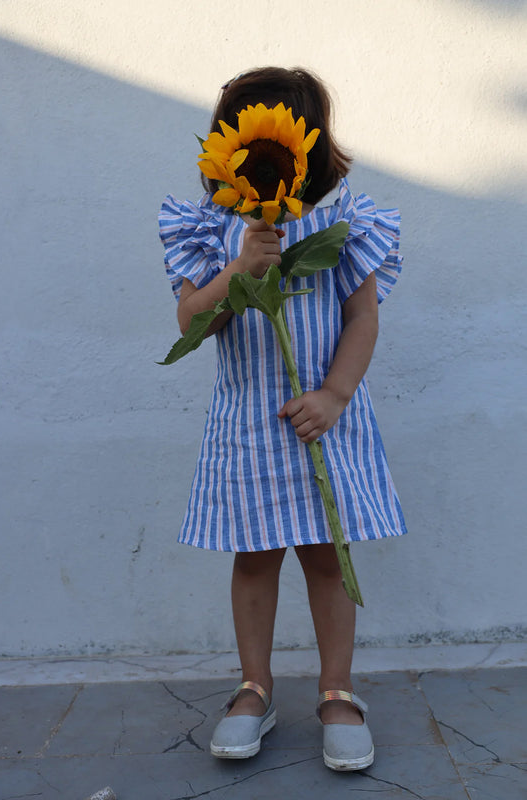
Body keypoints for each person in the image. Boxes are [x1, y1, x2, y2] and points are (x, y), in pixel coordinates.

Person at [158, 67, 407, 771]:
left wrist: (334, 394)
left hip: (323, 420)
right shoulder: (211, 227)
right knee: (254, 558)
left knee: (328, 558)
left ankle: (337, 693)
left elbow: (362, 318)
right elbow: (191, 321)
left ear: (309, 147)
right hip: (249, 422)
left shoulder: (343, 222)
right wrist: (238, 270)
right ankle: (254, 689)